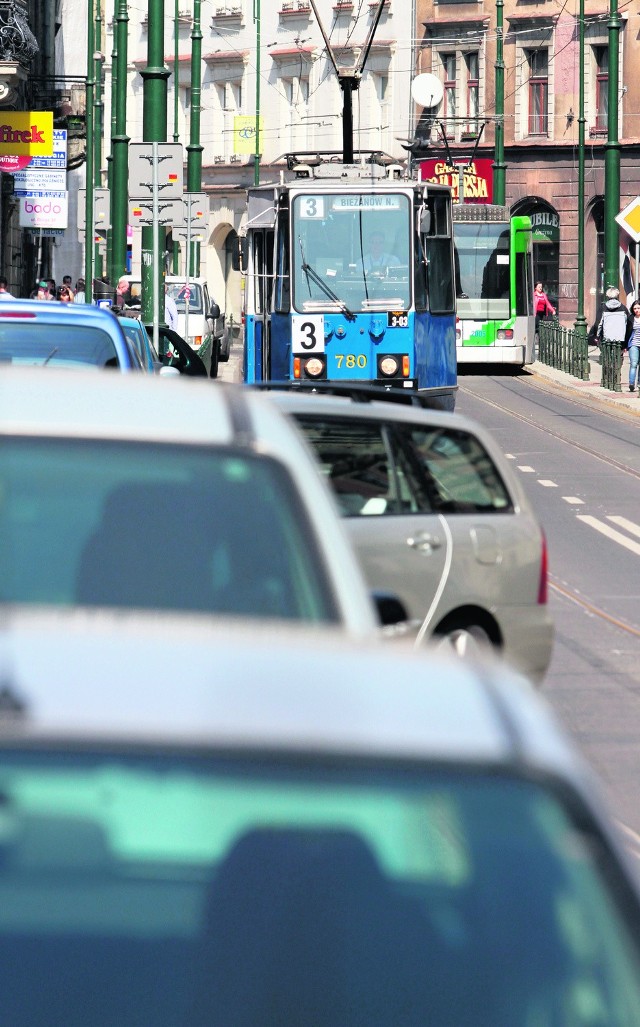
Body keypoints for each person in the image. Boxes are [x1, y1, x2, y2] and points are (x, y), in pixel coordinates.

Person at [626, 300, 640, 391]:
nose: (637, 310)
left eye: (638, 308)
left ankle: (639, 384)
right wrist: (624, 346)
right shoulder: (631, 318)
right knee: (634, 364)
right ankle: (631, 383)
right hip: (634, 344)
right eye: (635, 308)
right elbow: (627, 333)